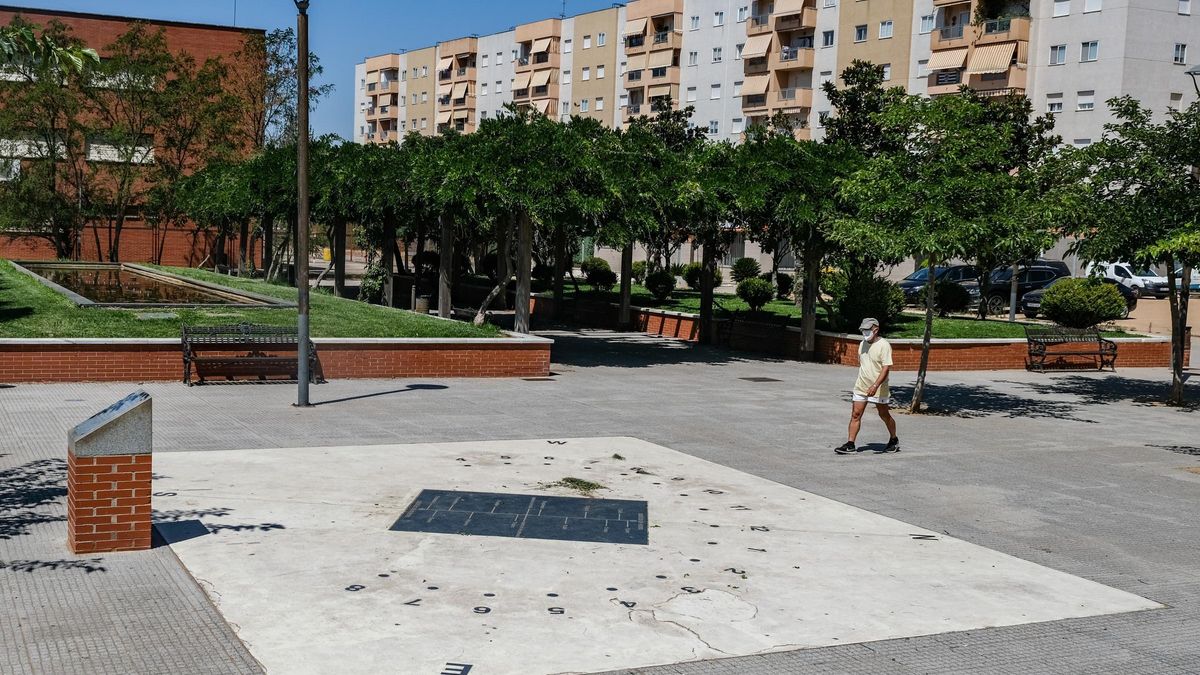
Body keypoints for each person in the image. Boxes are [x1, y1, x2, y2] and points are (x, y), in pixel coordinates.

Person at [835, 317, 899, 455]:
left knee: (884, 414)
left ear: (875, 330)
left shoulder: (884, 345)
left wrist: (875, 385)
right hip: (861, 385)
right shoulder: (862, 344)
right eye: (863, 329)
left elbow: (886, 368)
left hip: (879, 387)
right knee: (855, 414)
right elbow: (862, 364)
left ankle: (893, 439)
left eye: (867, 329)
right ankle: (850, 444)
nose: (864, 332)